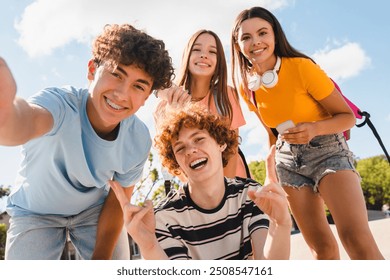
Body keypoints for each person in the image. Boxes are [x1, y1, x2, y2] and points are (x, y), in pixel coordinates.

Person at [0, 23, 174, 259]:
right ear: (92, 70)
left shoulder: (138, 139)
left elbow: (116, 203)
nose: (122, 94)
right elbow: (25, 121)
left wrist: (100, 260)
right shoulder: (59, 105)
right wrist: (6, 115)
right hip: (35, 210)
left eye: (138, 86)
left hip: (92, 211)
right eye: (116, 74)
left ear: (145, 98)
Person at [230, 6, 384, 259]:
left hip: (328, 151)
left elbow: (346, 118)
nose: (255, 42)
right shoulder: (246, 86)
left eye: (262, 33)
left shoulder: (301, 67)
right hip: (287, 162)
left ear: (275, 36)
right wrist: (271, 176)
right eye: (246, 37)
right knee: (320, 249)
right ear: (238, 45)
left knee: (355, 239)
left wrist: (314, 129)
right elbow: (271, 134)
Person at [110, 103, 292, 260]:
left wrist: (280, 224)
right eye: (180, 148)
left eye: (199, 139)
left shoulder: (251, 194)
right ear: (175, 162)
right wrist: (150, 248)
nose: (190, 150)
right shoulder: (165, 218)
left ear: (221, 143)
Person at [154, 29, 250, 179]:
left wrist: (228, 191)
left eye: (212, 52)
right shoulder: (165, 107)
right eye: (197, 49)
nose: (204, 55)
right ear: (187, 56)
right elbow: (174, 160)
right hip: (197, 190)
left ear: (219, 62)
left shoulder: (226, 95)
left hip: (233, 183)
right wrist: (198, 192)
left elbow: (232, 150)